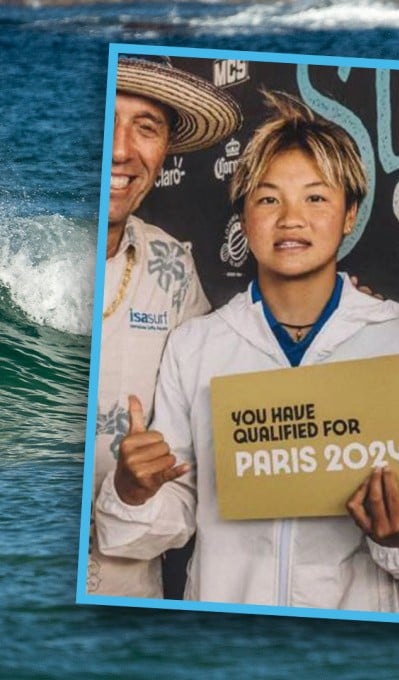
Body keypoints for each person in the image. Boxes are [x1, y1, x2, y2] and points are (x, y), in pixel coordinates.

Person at [93, 91, 399, 611]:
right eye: (269, 199)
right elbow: (175, 513)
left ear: (349, 215)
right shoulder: (195, 345)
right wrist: (133, 493)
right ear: (244, 217)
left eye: (316, 198)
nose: (292, 218)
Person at [90, 56, 242, 598]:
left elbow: (218, 388)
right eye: (100, 116)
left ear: (165, 149)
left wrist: (339, 315)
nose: (121, 149)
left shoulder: (172, 267)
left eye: (145, 127)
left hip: (122, 592)